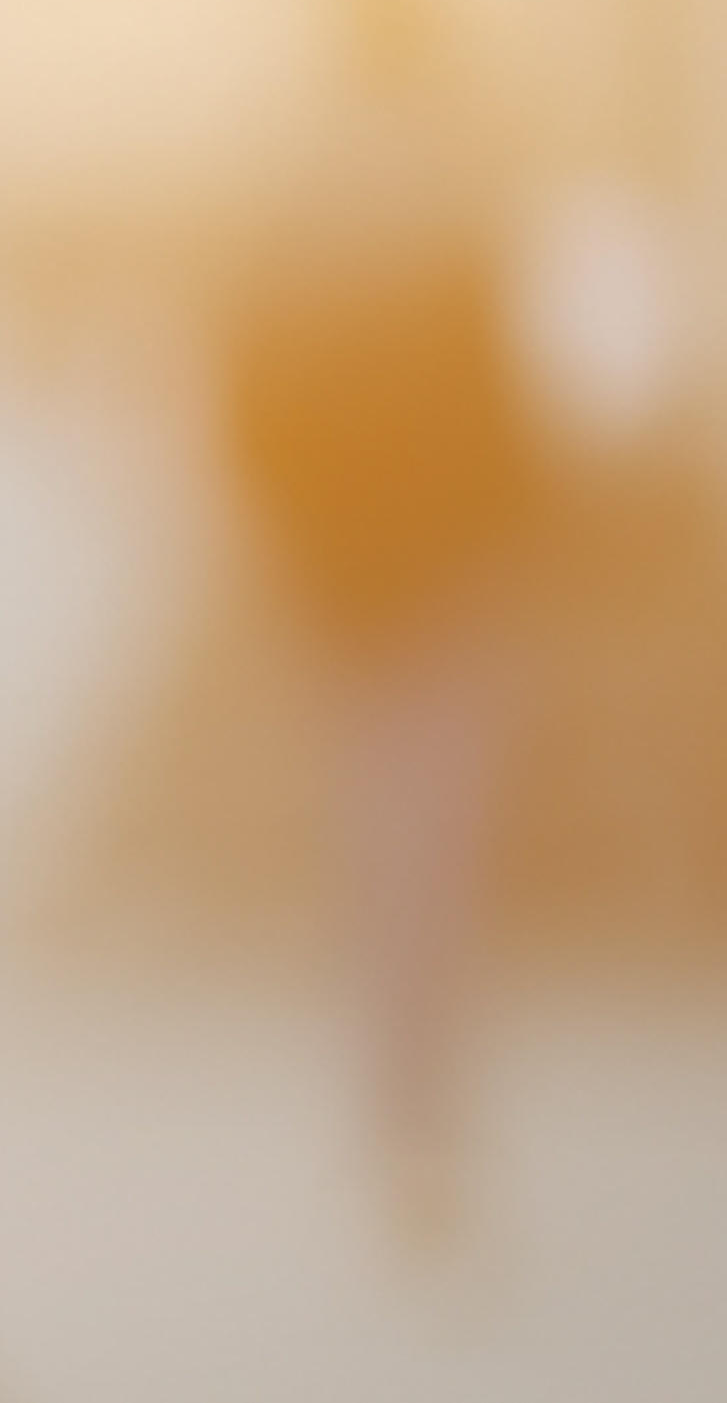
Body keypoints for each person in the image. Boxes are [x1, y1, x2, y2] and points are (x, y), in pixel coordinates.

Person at [210, 74, 547, 1276]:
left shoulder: (294, 219)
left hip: (341, 580)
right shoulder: (453, 210)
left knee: (375, 839)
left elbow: (245, 393)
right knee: (432, 847)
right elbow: (507, 400)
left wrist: (283, 530)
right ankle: (421, 1114)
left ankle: (396, 1112)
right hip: (444, 573)